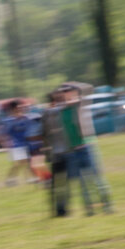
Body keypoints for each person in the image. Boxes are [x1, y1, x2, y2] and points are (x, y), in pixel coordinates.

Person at [58, 82, 113, 215]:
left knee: (97, 179)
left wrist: (71, 85)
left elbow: (88, 88)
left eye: (68, 91)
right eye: (64, 92)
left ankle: (107, 206)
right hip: (73, 150)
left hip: (87, 147)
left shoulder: (81, 105)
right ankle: (89, 209)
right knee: (83, 183)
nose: (66, 93)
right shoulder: (61, 110)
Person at [39, 88, 73, 217]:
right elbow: (43, 133)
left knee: (63, 182)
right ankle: (57, 209)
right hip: (55, 153)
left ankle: (63, 209)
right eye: (58, 99)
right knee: (57, 183)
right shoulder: (47, 114)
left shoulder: (62, 111)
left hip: (65, 152)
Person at [0, 100, 37, 185]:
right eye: (18, 107)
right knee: (20, 163)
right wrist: (5, 144)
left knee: (25, 162)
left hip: (26, 143)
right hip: (16, 145)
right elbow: (3, 133)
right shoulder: (9, 120)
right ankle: (14, 179)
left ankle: (18, 179)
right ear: (13, 109)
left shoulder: (25, 118)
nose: (21, 109)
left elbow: (31, 127)